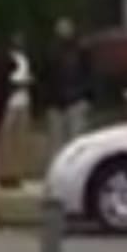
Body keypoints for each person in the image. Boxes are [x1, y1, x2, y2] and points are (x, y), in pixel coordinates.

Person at [44, 17, 93, 156]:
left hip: (76, 99)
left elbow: (89, 74)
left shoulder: (81, 50)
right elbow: (46, 77)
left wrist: (87, 97)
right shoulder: (51, 52)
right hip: (56, 102)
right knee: (57, 143)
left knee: (76, 140)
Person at [0, 33, 35, 188]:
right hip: (10, 103)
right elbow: (4, 80)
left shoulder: (26, 59)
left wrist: (28, 82)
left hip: (24, 102)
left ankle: (18, 174)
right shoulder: (7, 59)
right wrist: (20, 84)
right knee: (7, 138)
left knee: (20, 139)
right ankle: (5, 173)